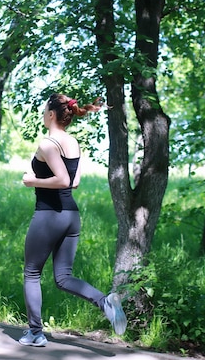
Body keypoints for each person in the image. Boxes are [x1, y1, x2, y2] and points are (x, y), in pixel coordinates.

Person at [19, 93, 127, 347]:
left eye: (45, 110)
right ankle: (104, 302)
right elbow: (74, 182)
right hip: (71, 217)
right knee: (63, 278)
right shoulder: (73, 143)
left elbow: (64, 181)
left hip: (49, 215)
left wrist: (30, 180)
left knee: (32, 272)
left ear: (52, 114)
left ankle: (35, 333)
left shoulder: (48, 144)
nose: (43, 114)